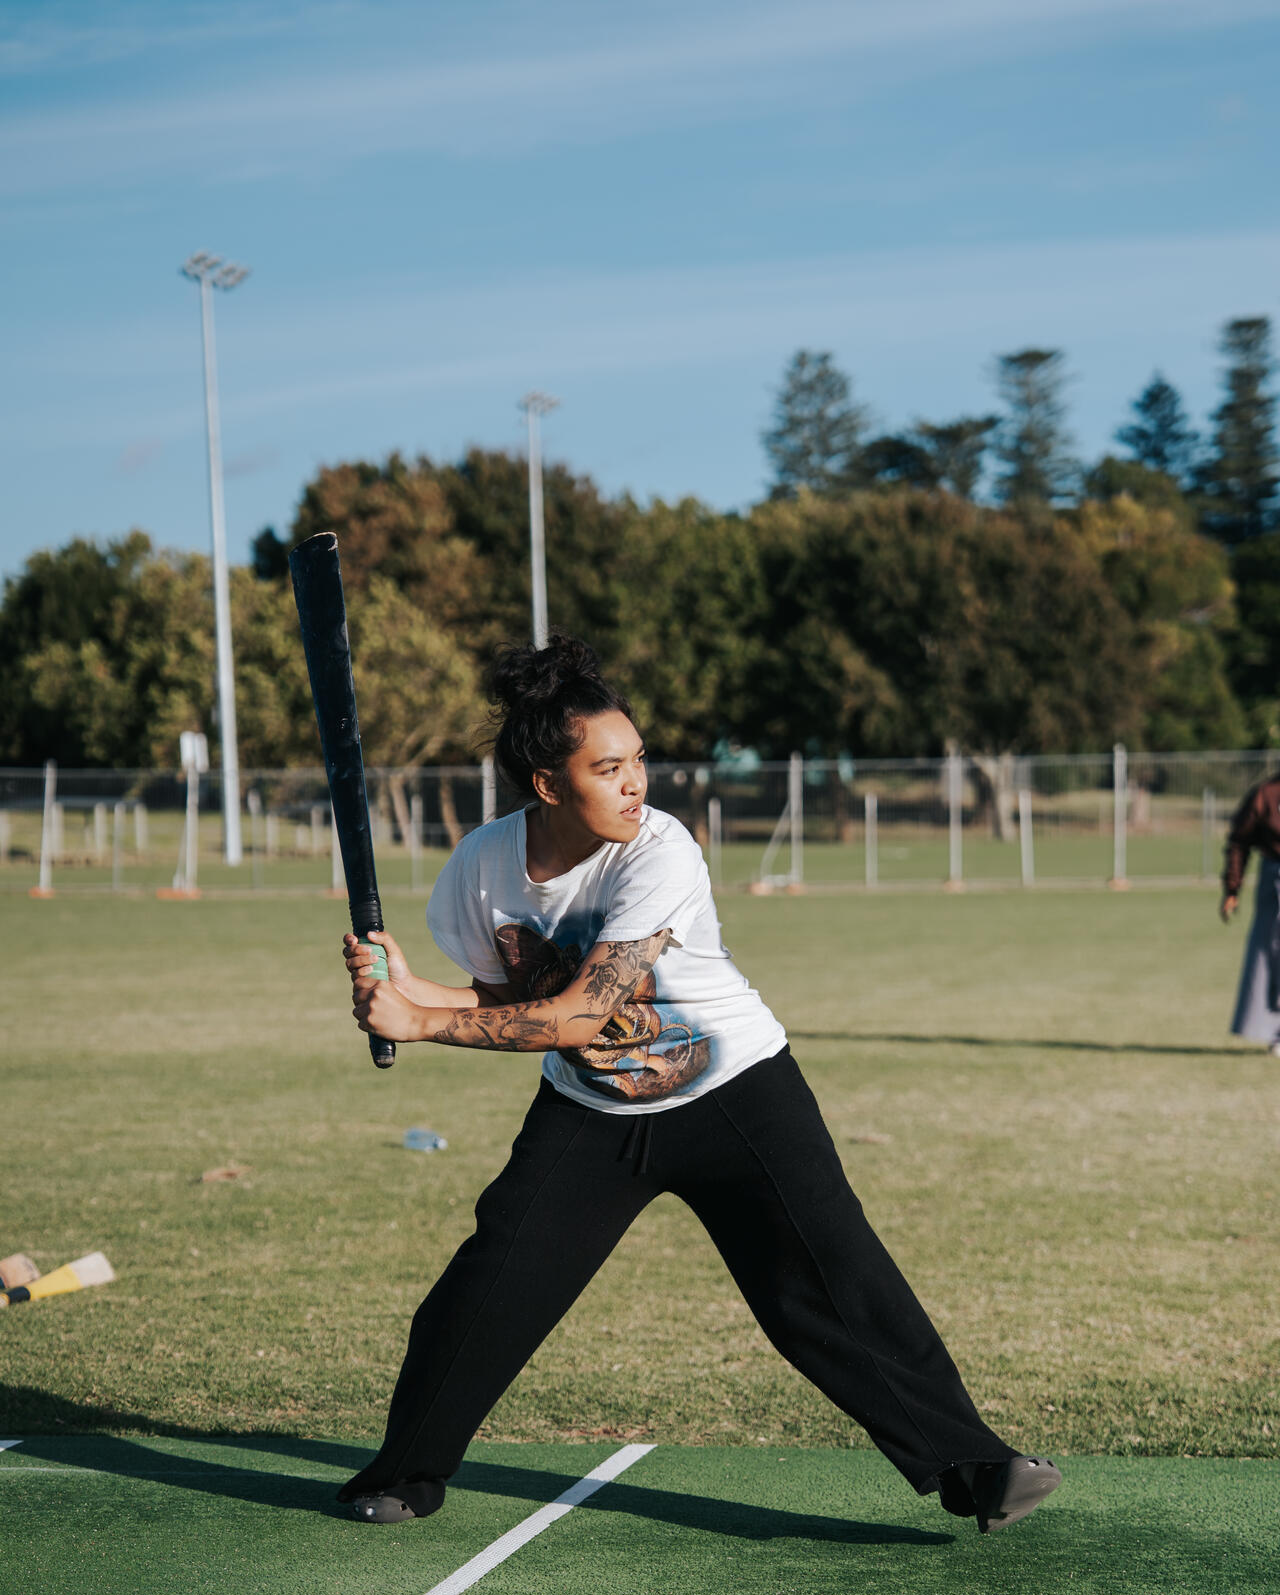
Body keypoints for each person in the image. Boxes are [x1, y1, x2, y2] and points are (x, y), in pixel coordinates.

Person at [336, 633, 1061, 1534]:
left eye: (640, 760)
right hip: (592, 1115)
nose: (637, 782)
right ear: (549, 785)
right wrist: (407, 991)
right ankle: (405, 1473)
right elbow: (510, 999)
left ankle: (975, 1468)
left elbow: (578, 1017)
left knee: (831, 1290)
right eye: (610, 767)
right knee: (487, 1289)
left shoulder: (660, 851)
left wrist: (422, 1021)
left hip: (740, 1099)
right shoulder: (480, 871)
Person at [1221, 769, 1280, 1056]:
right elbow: (1239, 841)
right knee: (1273, 953)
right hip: (1275, 880)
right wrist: (1232, 888)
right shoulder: (1265, 794)